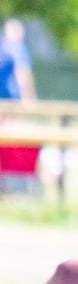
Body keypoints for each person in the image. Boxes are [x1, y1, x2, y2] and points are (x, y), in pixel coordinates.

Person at [0, 19, 40, 193]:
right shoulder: (17, 48)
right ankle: (12, 185)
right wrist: (29, 98)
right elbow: (23, 72)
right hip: (12, 103)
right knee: (12, 140)